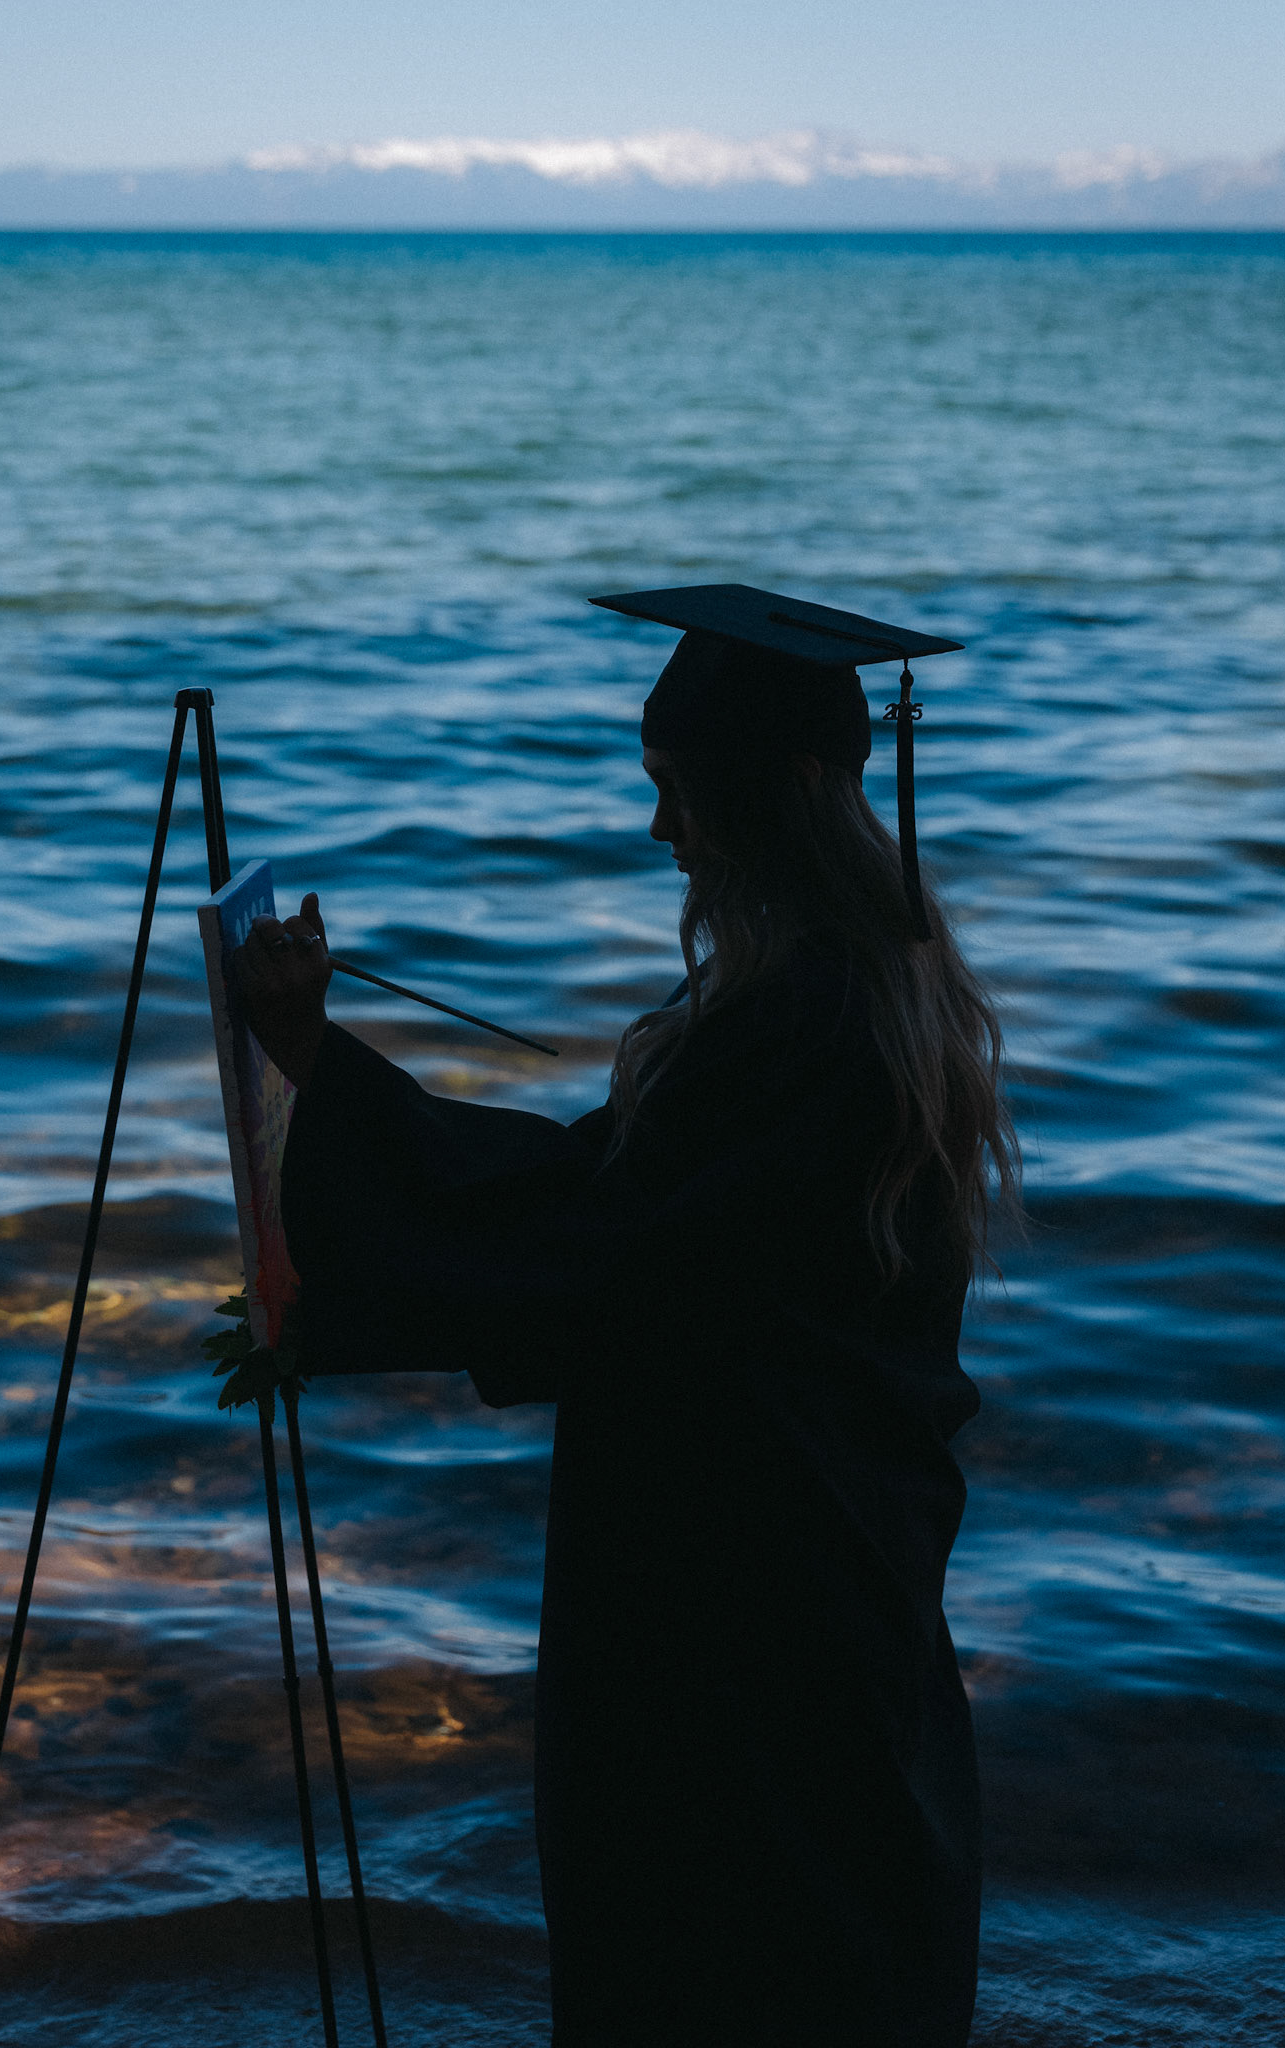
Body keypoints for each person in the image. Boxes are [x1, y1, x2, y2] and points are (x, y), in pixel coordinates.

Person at [235, 587, 1016, 2047]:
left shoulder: (805, 1026)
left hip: (738, 1599)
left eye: (676, 790)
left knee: (726, 1949)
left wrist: (326, 1116)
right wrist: (327, 1075)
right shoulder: (867, 996)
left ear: (774, 793)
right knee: (834, 1928)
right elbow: (606, 1197)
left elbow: (609, 1266)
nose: (663, 832)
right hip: (836, 1561)